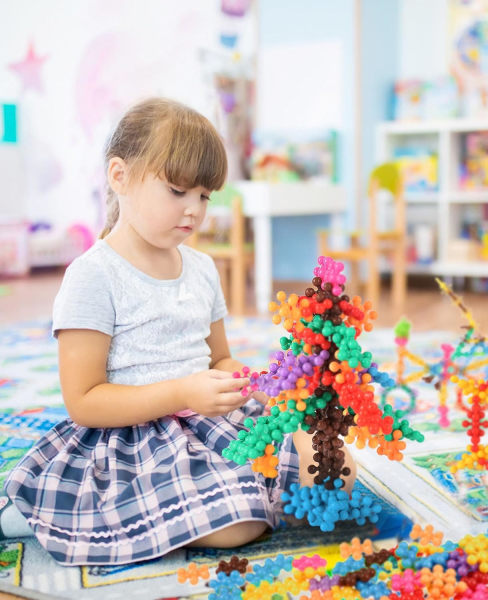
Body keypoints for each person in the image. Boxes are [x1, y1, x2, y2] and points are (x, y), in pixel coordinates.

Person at [3, 97, 355, 566]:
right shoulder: (93, 276)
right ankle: (60, 511)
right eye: (177, 190)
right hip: (131, 439)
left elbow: (220, 360)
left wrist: (263, 386)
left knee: (334, 464)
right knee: (240, 523)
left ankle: (237, 497)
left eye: (205, 196)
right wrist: (181, 392)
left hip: (209, 421)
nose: (194, 210)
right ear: (119, 176)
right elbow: (84, 401)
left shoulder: (202, 269)